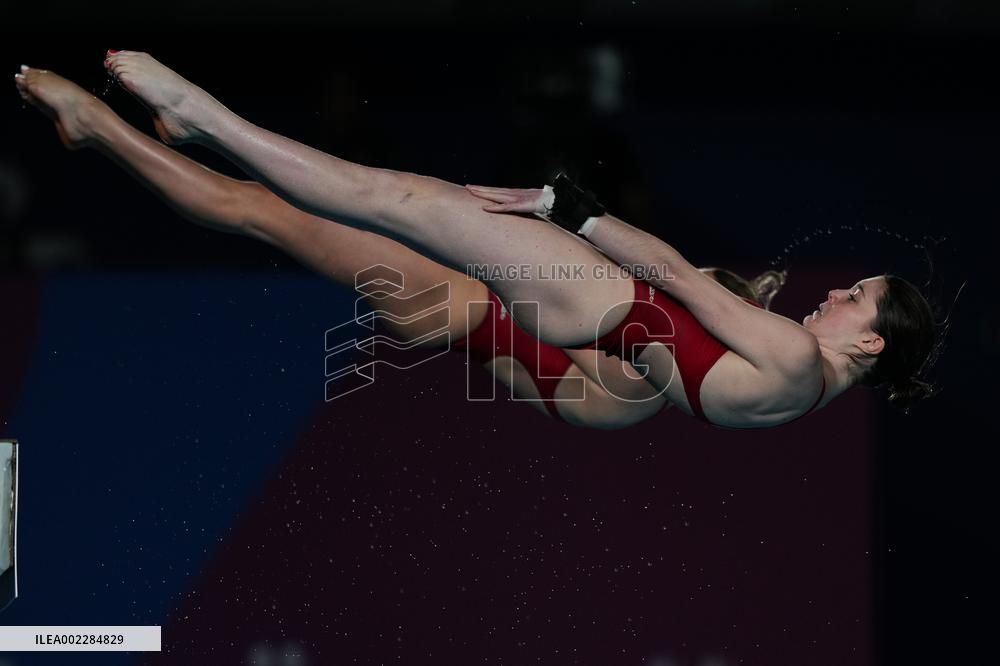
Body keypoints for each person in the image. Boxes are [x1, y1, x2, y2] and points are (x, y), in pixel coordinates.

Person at [15, 54, 937, 428]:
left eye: (854, 296)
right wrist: (720, 290)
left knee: (391, 197)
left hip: (556, 311)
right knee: (296, 211)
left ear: (870, 341)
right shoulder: (792, 389)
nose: (835, 292)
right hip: (544, 326)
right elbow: (673, 325)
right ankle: (111, 131)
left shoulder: (783, 357)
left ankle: (195, 111)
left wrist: (562, 205)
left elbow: (658, 269)